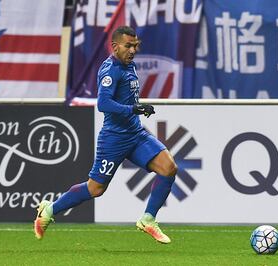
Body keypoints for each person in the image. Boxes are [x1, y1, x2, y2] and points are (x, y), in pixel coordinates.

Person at [34, 26, 178, 244]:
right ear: (115, 46)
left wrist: (135, 108)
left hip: (135, 134)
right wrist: (134, 109)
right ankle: (49, 210)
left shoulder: (130, 66)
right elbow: (103, 103)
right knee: (95, 188)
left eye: (135, 46)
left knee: (169, 168)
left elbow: (125, 100)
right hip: (114, 139)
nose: (132, 50)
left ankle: (148, 219)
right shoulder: (110, 70)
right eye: (128, 46)